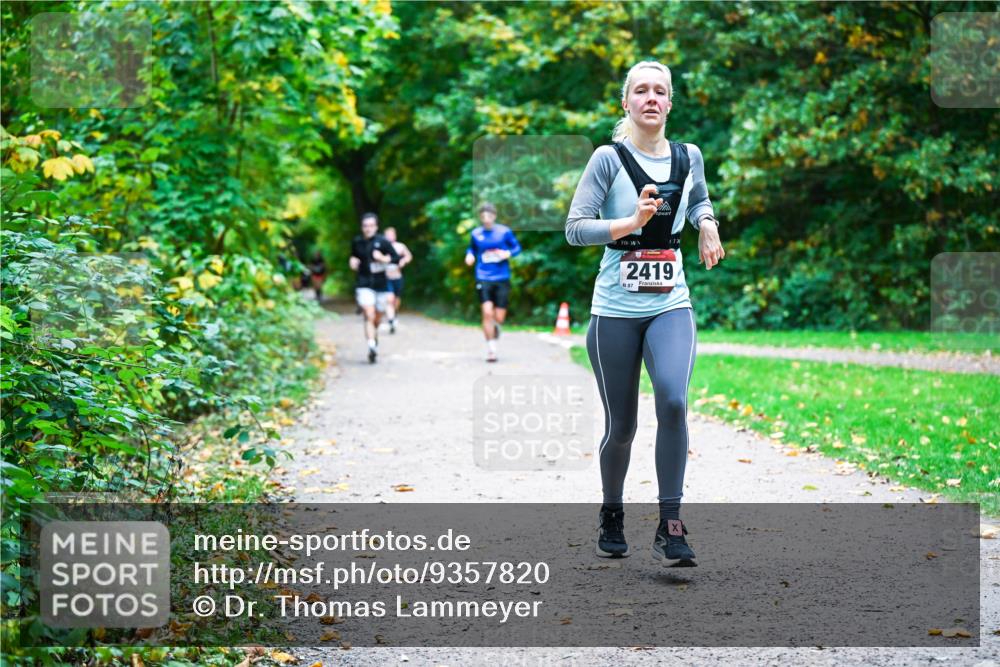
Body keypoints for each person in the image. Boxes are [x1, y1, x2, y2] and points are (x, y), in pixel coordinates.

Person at [565, 61, 725, 566]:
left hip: (670, 303)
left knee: (674, 402)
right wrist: (630, 222)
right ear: (626, 102)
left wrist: (707, 222)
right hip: (613, 309)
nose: (651, 98)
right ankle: (612, 512)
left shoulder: (689, 155)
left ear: (670, 103)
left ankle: (670, 524)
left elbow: (697, 197)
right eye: (641, 91)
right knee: (623, 426)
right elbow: (575, 228)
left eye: (660, 91)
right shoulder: (608, 159)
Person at [464, 202, 521, 362]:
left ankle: (496, 328)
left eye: (489, 216)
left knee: (499, 317)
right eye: (483, 217)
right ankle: (491, 350)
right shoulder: (476, 234)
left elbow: (517, 248)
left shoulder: (504, 232)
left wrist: (507, 253)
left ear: (494, 216)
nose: (486, 220)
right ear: (480, 218)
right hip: (483, 277)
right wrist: (469, 255)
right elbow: (471, 249)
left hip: (502, 277)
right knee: (487, 313)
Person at [350, 213, 400, 363]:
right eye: (365, 226)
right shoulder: (357, 242)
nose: (368, 229)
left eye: (371, 226)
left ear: (376, 227)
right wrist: (352, 261)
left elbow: (396, 258)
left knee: (377, 318)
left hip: (381, 284)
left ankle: (374, 337)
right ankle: (371, 346)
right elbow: (353, 256)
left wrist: (384, 258)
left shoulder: (383, 242)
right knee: (368, 314)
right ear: (362, 227)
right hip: (363, 283)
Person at [383, 226, 413, 334]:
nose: (390, 237)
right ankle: (391, 320)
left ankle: (394, 315)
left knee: (396, 300)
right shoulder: (382, 247)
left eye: (392, 235)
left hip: (397, 277)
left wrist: (403, 261)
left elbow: (409, 256)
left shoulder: (400, 246)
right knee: (389, 299)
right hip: (386, 278)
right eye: (388, 235)